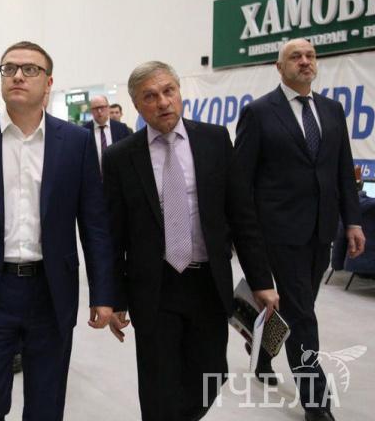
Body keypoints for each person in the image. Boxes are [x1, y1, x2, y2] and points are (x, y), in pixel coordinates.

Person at [0, 41, 115, 420]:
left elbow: (94, 224)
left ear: (49, 82)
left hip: (51, 291)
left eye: (30, 69)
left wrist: (103, 293)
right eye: (9, 68)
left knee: (46, 405)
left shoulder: (74, 142)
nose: (18, 75)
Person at [102, 60, 278, 420]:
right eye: (150, 96)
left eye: (169, 91)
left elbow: (242, 216)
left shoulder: (214, 140)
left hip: (208, 284)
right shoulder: (120, 157)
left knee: (210, 376)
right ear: (137, 105)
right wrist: (114, 298)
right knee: (159, 387)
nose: (163, 102)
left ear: (179, 92)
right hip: (154, 288)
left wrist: (261, 281)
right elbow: (113, 234)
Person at [235, 38, 364, 421]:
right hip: (277, 232)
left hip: (321, 230)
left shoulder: (332, 110)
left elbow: (343, 170)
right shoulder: (259, 113)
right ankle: (316, 402)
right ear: (280, 67)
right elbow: (241, 181)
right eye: (296, 57)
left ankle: (262, 353)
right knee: (303, 315)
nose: (305, 61)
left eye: (310, 55)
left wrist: (352, 220)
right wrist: (245, 236)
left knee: (297, 308)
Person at [83, 95, 131, 167]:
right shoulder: (84, 131)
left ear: (108, 108)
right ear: (91, 111)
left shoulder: (121, 128)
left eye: (102, 107)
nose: (99, 111)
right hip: (94, 172)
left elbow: (128, 152)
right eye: (95, 108)